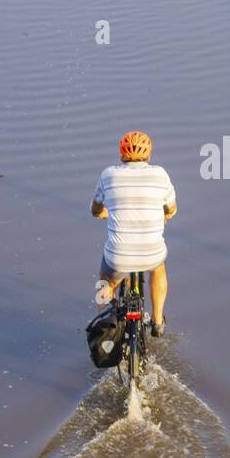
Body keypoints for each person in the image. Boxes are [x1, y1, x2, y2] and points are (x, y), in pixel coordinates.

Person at [90, 131, 176, 337]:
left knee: (106, 280)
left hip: (118, 256)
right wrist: (165, 215)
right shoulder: (160, 174)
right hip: (151, 254)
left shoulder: (108, 175)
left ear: (122, 154)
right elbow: (171, 208)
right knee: (158, 268)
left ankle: (107, 320)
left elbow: (95, 209)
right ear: (149, 154)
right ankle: (157, 322)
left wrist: (103, 213)